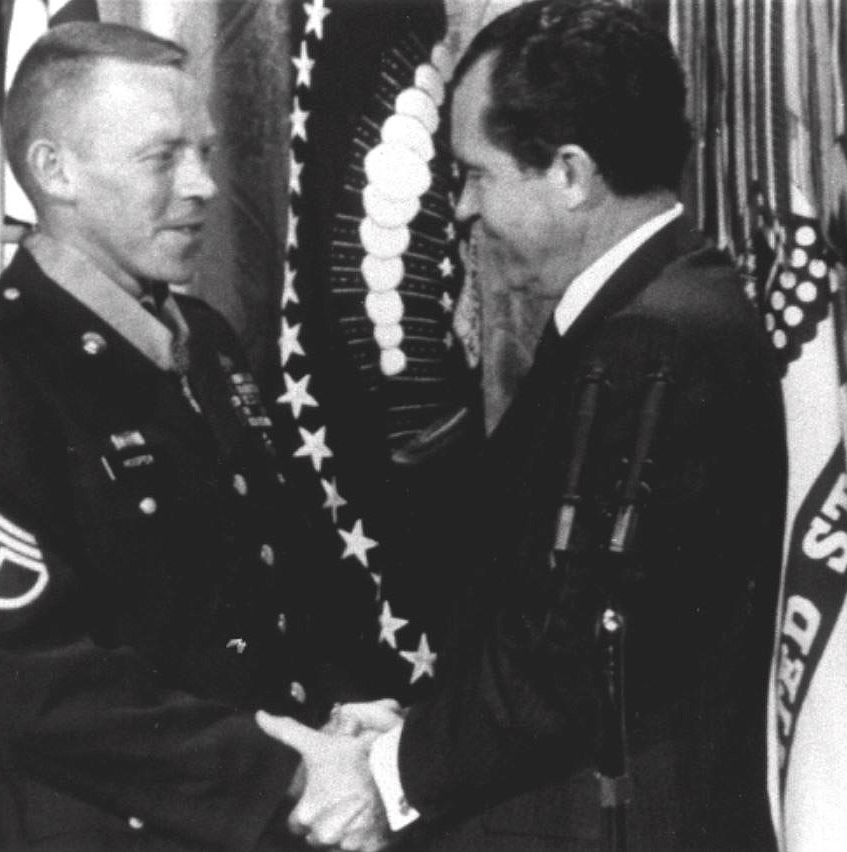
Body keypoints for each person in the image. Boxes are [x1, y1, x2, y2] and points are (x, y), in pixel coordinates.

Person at [256, 1, 787, 850]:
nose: (461, 209)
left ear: (570, 174)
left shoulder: (652, 338)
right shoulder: (663, 305)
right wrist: (408, 734)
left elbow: (572, 660)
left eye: (476, 173)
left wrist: (390, 777)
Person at [0, 21, 373, 852]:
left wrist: (351, 713)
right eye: (162, 157)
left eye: (207, 153)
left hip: (281, 813)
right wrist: (287, 768)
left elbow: (291, 568)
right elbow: (42, 684)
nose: (203, 187)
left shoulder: (207, 343)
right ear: (54, 171)